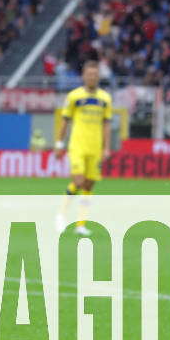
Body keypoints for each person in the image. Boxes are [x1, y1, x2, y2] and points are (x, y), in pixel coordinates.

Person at [54, 60, 112, 235]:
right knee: (78, 180)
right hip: (77, 145)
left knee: (88, 185)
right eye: (89, 74)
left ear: (98, 77)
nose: (92, 77)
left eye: (95, 74)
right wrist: (59, 143)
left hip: (95, 147)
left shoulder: (105, 99)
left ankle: (80, 224)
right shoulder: (74, 97)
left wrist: (107, 147)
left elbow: (107, 124)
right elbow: (65, 121)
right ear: (83, 76)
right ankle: (61, 215)